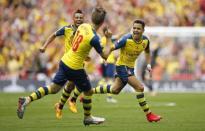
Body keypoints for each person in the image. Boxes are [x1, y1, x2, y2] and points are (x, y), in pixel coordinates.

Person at [17, 6, 112, 125]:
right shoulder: (94, 38)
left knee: (53, 88)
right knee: (88, 92)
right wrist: (108, 39)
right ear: (102, 22)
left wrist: (82, 54)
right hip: (75, 67)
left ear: (90, 18)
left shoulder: (83, 26)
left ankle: (26, 100)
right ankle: (87, 117)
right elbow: (105, 56)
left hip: (65, 61)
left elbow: (77, 43)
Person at [93, 19, 162, 122]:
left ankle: (90, 91)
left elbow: (147, 52)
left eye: (138, 28)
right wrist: (105, 55)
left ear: (143, 30)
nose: (135, 30)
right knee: (140, 87)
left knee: (114, 90)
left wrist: (148, 64)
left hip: (130, 68)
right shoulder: (126, 39)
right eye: (134, 28)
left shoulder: (145, 41)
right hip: (122, 67)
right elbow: (112, 48)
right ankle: (149, 115)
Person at [39, 9, 85, 118]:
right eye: (77, 17)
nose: (78, 19)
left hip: (79, 61)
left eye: (80, 17)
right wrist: (44, 46)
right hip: (68, 62)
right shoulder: (66, 29)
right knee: (81, 82)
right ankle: (71, 101)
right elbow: (53, 35)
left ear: (83, 19)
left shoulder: (85, 30)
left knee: (70, 86)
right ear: (73, 19)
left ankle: (60, 106)